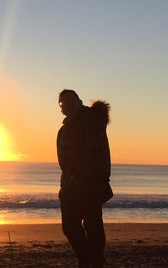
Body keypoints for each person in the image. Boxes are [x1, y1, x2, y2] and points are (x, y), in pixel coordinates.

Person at [56, 89, 113, 268]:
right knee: (70, 227)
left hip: (90, 184)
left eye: (70, 100)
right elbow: (64, 162)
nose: (66, 104)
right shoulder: (63, 130)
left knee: (92, 225)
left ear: (79, 101)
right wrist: (65, 183)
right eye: (62, 103)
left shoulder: (91, 120)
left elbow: (96, 152)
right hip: (70, 185)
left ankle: (94, 261)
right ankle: (87, 259)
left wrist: (91, 178)